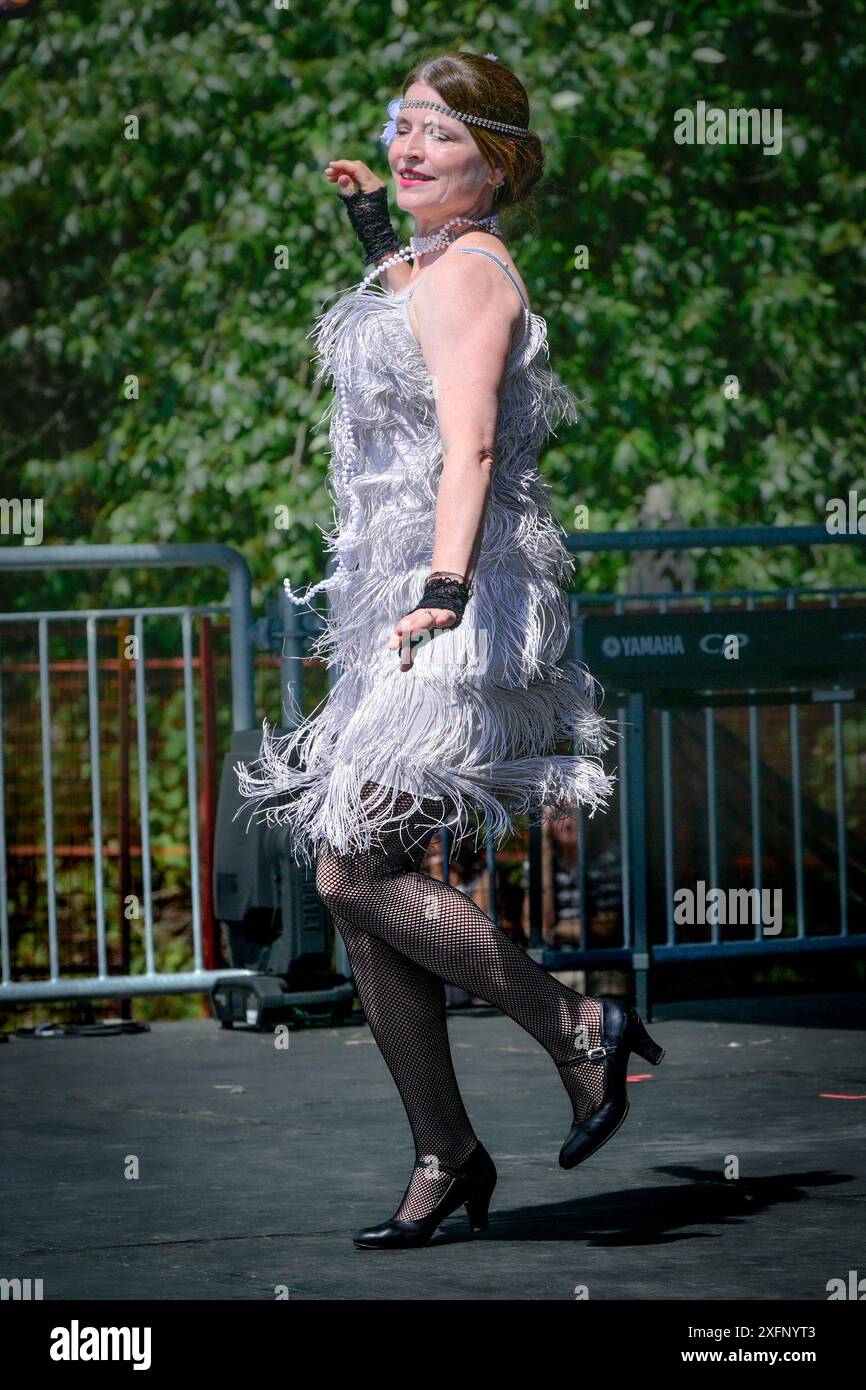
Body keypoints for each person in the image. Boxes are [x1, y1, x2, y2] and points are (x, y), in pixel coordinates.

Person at [235, 50, 665, 1249]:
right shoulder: (428, 262)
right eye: (401, 126)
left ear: (496, 161)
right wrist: (370, 216)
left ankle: (577, 1026)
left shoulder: (474, 275)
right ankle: (447, 1153)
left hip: (454, 597)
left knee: (346, 873)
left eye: (437, 135)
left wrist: (441, 587)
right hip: (401, 591)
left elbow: (466, 446)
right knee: (359, 886)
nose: (410, 147)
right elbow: (398, 323)